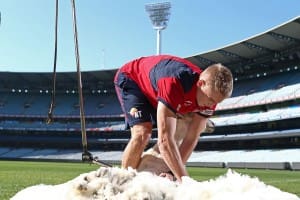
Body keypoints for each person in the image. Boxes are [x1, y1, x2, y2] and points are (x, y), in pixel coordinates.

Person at [114, 55, 233, 182]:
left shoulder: (211, 99)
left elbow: (191, 138)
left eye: (216, 102)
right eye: (210, 99)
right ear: (200, 83)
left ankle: (190, 117)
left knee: (189, 127)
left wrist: (171, 173)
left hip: (161, 95)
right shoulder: (174, 82)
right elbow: (165, 141)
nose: (211, 105)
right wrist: (185, 181)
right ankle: (122, 181)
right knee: (143, 132)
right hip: (133, 78)